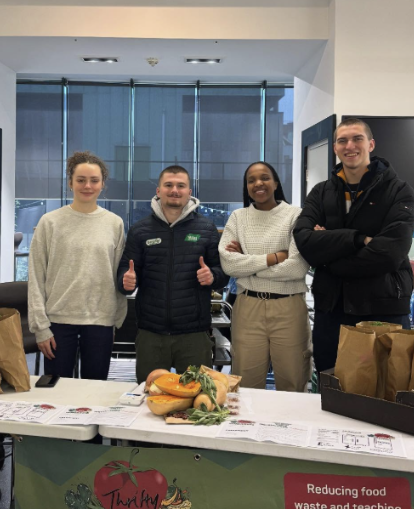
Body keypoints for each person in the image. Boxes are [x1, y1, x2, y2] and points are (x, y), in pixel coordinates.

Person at [293, 118, 414, 376]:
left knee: (386, 392)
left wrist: (329, 257)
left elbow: (390, 253)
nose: (350, 145)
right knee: (332, 388)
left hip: (383, 310)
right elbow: (304, 240)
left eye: (357, 138)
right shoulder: (321, 192)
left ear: (370, 144)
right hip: (332, 310)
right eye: (342, 140)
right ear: (336, 148)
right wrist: (359, 239)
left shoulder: (399, 191)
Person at [117, 165, 228, 383]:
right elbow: (125, 271)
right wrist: (126, 281)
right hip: (151, 334)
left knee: (197, 400)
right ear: (158, 190)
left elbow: (223, 274)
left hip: (194, 335)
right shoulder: (140, 230)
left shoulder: (206, 229)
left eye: (180, 186)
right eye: (168, 185)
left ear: (189, 191)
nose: (174, 190)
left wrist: (213, 276)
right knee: (150, 401)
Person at [27, 151, 127, 381]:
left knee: (95, 390)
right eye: (81, 180)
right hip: (58, 322)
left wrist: (115, 319)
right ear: (70, 182)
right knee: (56, 391)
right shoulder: (50, 222)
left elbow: (116, 274)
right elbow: (36, 276)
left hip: (100, 321)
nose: (87, 186)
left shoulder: (114, 223)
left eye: (94, 180)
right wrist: (40, 326)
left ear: (103, 184)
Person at [218, 161, 311, 392]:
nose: (258, 183)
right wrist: (274, 257)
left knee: (293, 380)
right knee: (245, 382)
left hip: (288, 307)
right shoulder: (238, 218)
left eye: (265, 177)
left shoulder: (295, 215)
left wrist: (248, 263)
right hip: (248, 306)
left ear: (276, 182)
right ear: (246, 186)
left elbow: (297, 268)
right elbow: (229, 264)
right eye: (251, 180)